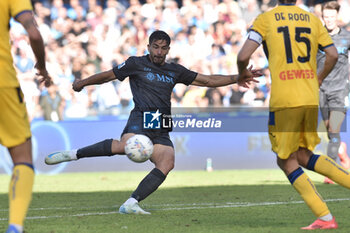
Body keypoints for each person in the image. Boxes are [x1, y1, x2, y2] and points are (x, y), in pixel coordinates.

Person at [45, 30, 261, 215]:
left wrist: (237, 77)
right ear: (148, 46)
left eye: (163, 48)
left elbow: (208, 80)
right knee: (124, 146)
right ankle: (73, 154)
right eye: (155, 47)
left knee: (167, 163)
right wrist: (82, 83)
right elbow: (108, 76)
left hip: (162, 123)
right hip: (141, 116)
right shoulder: (135, 64)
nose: (159, 52)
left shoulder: (175, 70)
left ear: (168, 50)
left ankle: (131, 203)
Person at [236, 0, 350, 230]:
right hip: (309, 97)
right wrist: (317, 78)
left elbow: (242, 56)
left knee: (285, 160)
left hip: (285, 100)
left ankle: (325, 218)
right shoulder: (312, 20)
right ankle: (325, 217)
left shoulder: (266, 19)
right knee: (303, 154)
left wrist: (241, 74)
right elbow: (332, 54)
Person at [0, 1, 52, 233]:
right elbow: (34, 33)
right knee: (22, 157)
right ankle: (15, 226)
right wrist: (41, 66)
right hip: (3, 84)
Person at [317, 1, 350, 184]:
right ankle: (341, 151)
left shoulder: (347, 37)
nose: (329, 20)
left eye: (332, 17)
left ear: (337, 17)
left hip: (340, 91)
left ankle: (331, 172)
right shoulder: (316, 36)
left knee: (334, 129)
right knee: (330, 131)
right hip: (321, 90)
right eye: (326, 17)